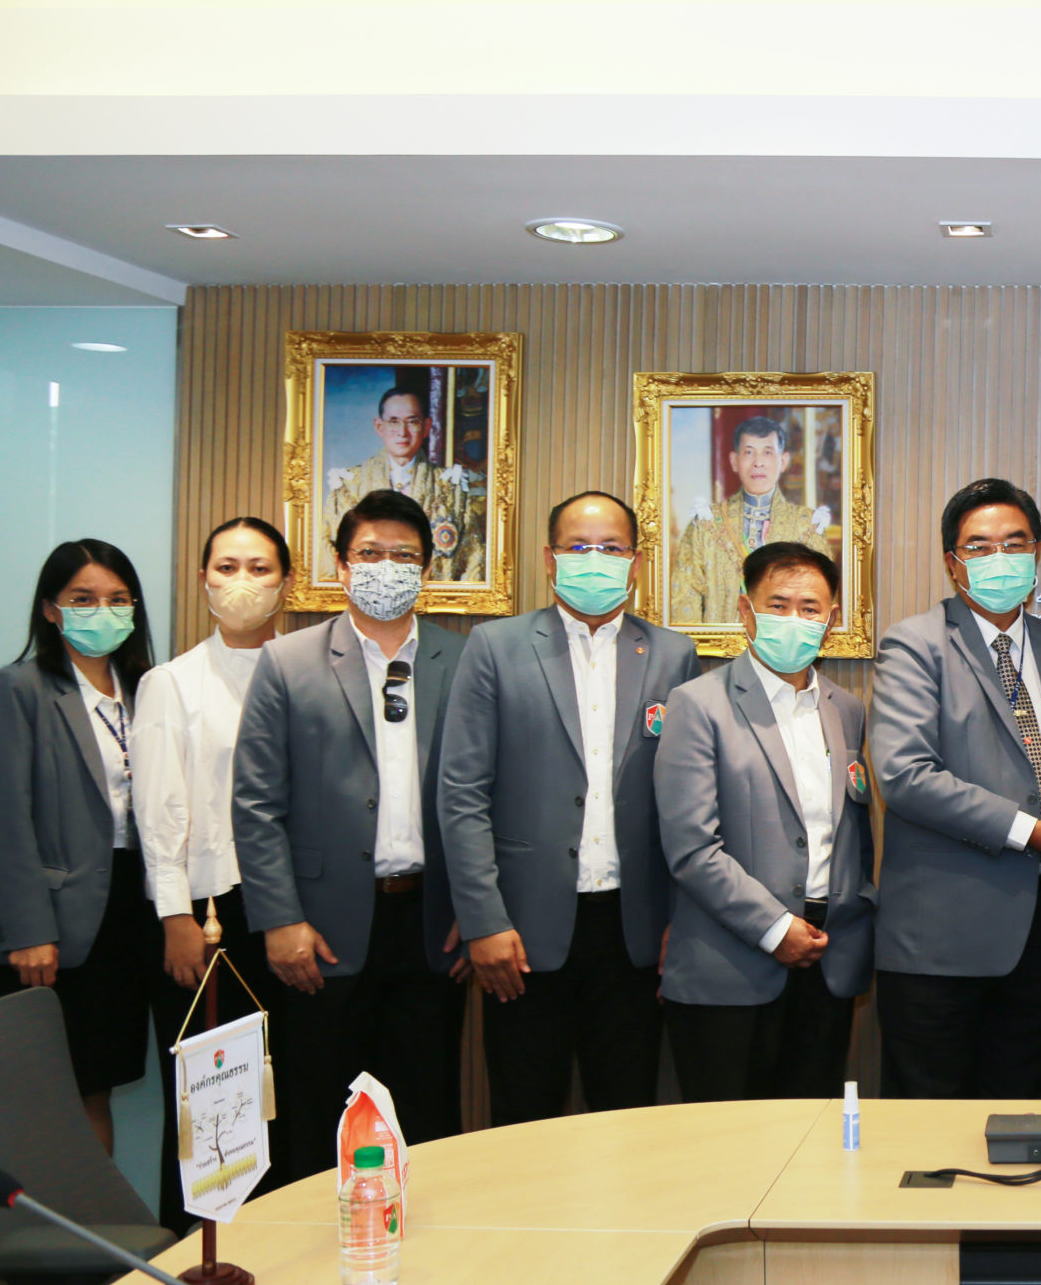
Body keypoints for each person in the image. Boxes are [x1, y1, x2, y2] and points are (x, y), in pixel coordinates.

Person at [437, 492, 699, 1126]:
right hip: (521, 930)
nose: (595, 559)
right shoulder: (495, 646)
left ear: (635, 562)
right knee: (525, 1117)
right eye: (579, 547)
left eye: (611, 548)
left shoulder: (673, 654)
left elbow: (687, 801)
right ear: (550, 558)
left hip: (634, 928)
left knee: (628, 1116)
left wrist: (682, 919)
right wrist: (482, 921)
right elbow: (462, 792)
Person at [235, 488, 466, 1176]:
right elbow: (255, 803)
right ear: (340, 564)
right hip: (321, 930)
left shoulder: (463, 660)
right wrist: (280, 920)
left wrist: (478, 912)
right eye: (370, 553)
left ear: (427, 569)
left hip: (431, 925)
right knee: (319, 1116)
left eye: (404, 556)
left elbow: (488, 796)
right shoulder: (287, 661)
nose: (386, 567)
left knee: (427, 1113)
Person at [870, 478, 1041, 1099]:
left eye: (1014, 543)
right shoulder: (914, 645)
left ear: (1037, 552)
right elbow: (904, 774)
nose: (999, 557)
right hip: (942, 937)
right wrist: (1030, 832)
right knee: (929, 1125)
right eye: (978, 546)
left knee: (1025, 1114)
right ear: (953, 563)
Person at [0, 539, 160, 1154]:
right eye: (83, 599)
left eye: (118, 599)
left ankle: (95, 1217)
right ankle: (45, 1218)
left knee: (98, 1083)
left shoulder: (148, 689)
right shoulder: (19, 688)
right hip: (50, 924)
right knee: (50, 1094)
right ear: (51, 609)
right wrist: (28, 930)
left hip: (128, 913)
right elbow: (3, 821)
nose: (104, 611)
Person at [656, 541, 876, 1100]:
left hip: (827, 963)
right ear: (745, 610)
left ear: (830, 620)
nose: (793, 619)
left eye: (809, 608)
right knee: (729, 1140)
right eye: (778, 605)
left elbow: (851, 833)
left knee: (810, 1136)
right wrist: (776, 929)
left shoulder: (846, 710)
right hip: (728, 969)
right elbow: (692, 848)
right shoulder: (697, 704)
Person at [137, 516, 292, 1229]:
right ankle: (196, 1252)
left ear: (286, 582)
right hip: (209, 914)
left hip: (289, 909)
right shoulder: (172, 683)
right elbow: (159, 809)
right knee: (212, 1096)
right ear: (202, 579)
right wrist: (173, 914)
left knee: (281, 1092)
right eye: (227, 567)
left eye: (260, 568)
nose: (242, 583)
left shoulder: (305, 670)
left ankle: (277, 1241)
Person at [318, 380, 486, 584]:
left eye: (412, 422)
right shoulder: (349, 486)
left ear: (427, 427)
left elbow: (473, 558)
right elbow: (329, 560)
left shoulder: (451, 488)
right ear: (379, 426)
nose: (402, 432)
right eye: (394, 421)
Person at [670, 415, 830, 624]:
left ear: (783, 461)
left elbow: (820, 602)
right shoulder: (706, 524)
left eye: (767, 452)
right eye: (749, 452)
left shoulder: (808, 526)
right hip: (716, 643)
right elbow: (684, 600)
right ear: (734, 461)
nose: (758, 463)